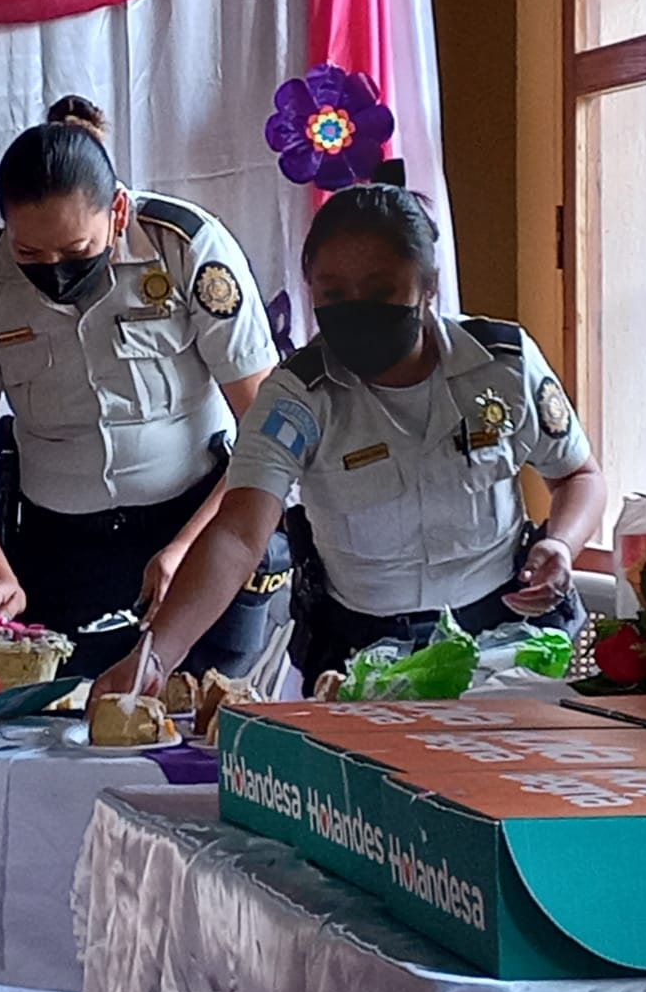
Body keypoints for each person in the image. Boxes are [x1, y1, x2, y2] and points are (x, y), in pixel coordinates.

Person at [0, 97, 285, 992]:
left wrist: (182, 549)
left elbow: (268, 440)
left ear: (119, 212)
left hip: (208, 538)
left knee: (178, 815)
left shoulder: (187, 250)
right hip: (60, 561)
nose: (53, 277)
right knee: (30, 811)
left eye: (75, 253)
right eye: (32, 259)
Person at [93, 169, 606, 699]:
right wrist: (155, 655)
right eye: (333, 292)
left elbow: (579, 475)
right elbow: (239, 534)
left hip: (505, 644)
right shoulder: (296, 397)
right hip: (364, 658)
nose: (356, 308)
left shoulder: (503, 364)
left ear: (427, 285)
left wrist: (562, 545)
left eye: (381, 289)